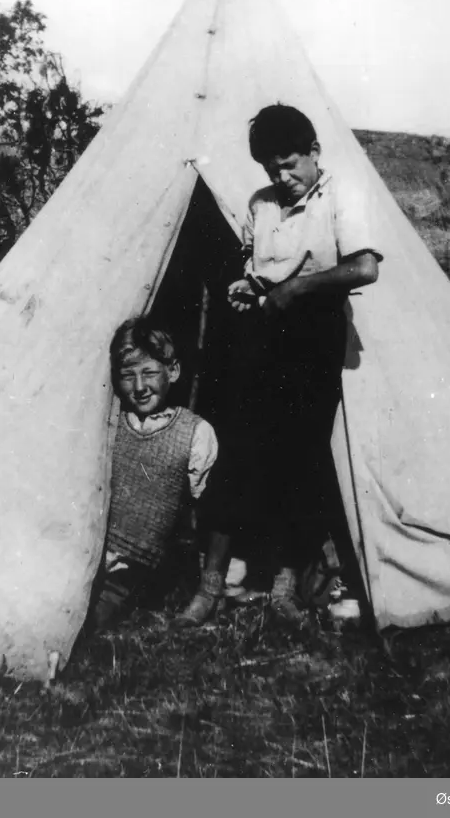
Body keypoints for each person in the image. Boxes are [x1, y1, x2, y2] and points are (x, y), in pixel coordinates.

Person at [177, 104, 381, 627]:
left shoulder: (341, 193)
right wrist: (250, 287)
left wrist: (299, 286)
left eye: (291, 163)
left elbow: (364, 266)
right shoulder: (261, 204)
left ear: (314, 151)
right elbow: (255, 265)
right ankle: (211, 584)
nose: (282, 177)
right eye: (272, 168)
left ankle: (287, 584)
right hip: (267, 333)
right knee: (239, 449)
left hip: (315, 337)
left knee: (302, 458)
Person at [89, 317, 219, 629]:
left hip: (131, 566)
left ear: (172, 371)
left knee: (91, 621)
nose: (139, 387)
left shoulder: (194, 432)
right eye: (127, 376)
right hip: (89, 551)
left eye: (149, 373)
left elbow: (205, 505)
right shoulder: (110, 421)